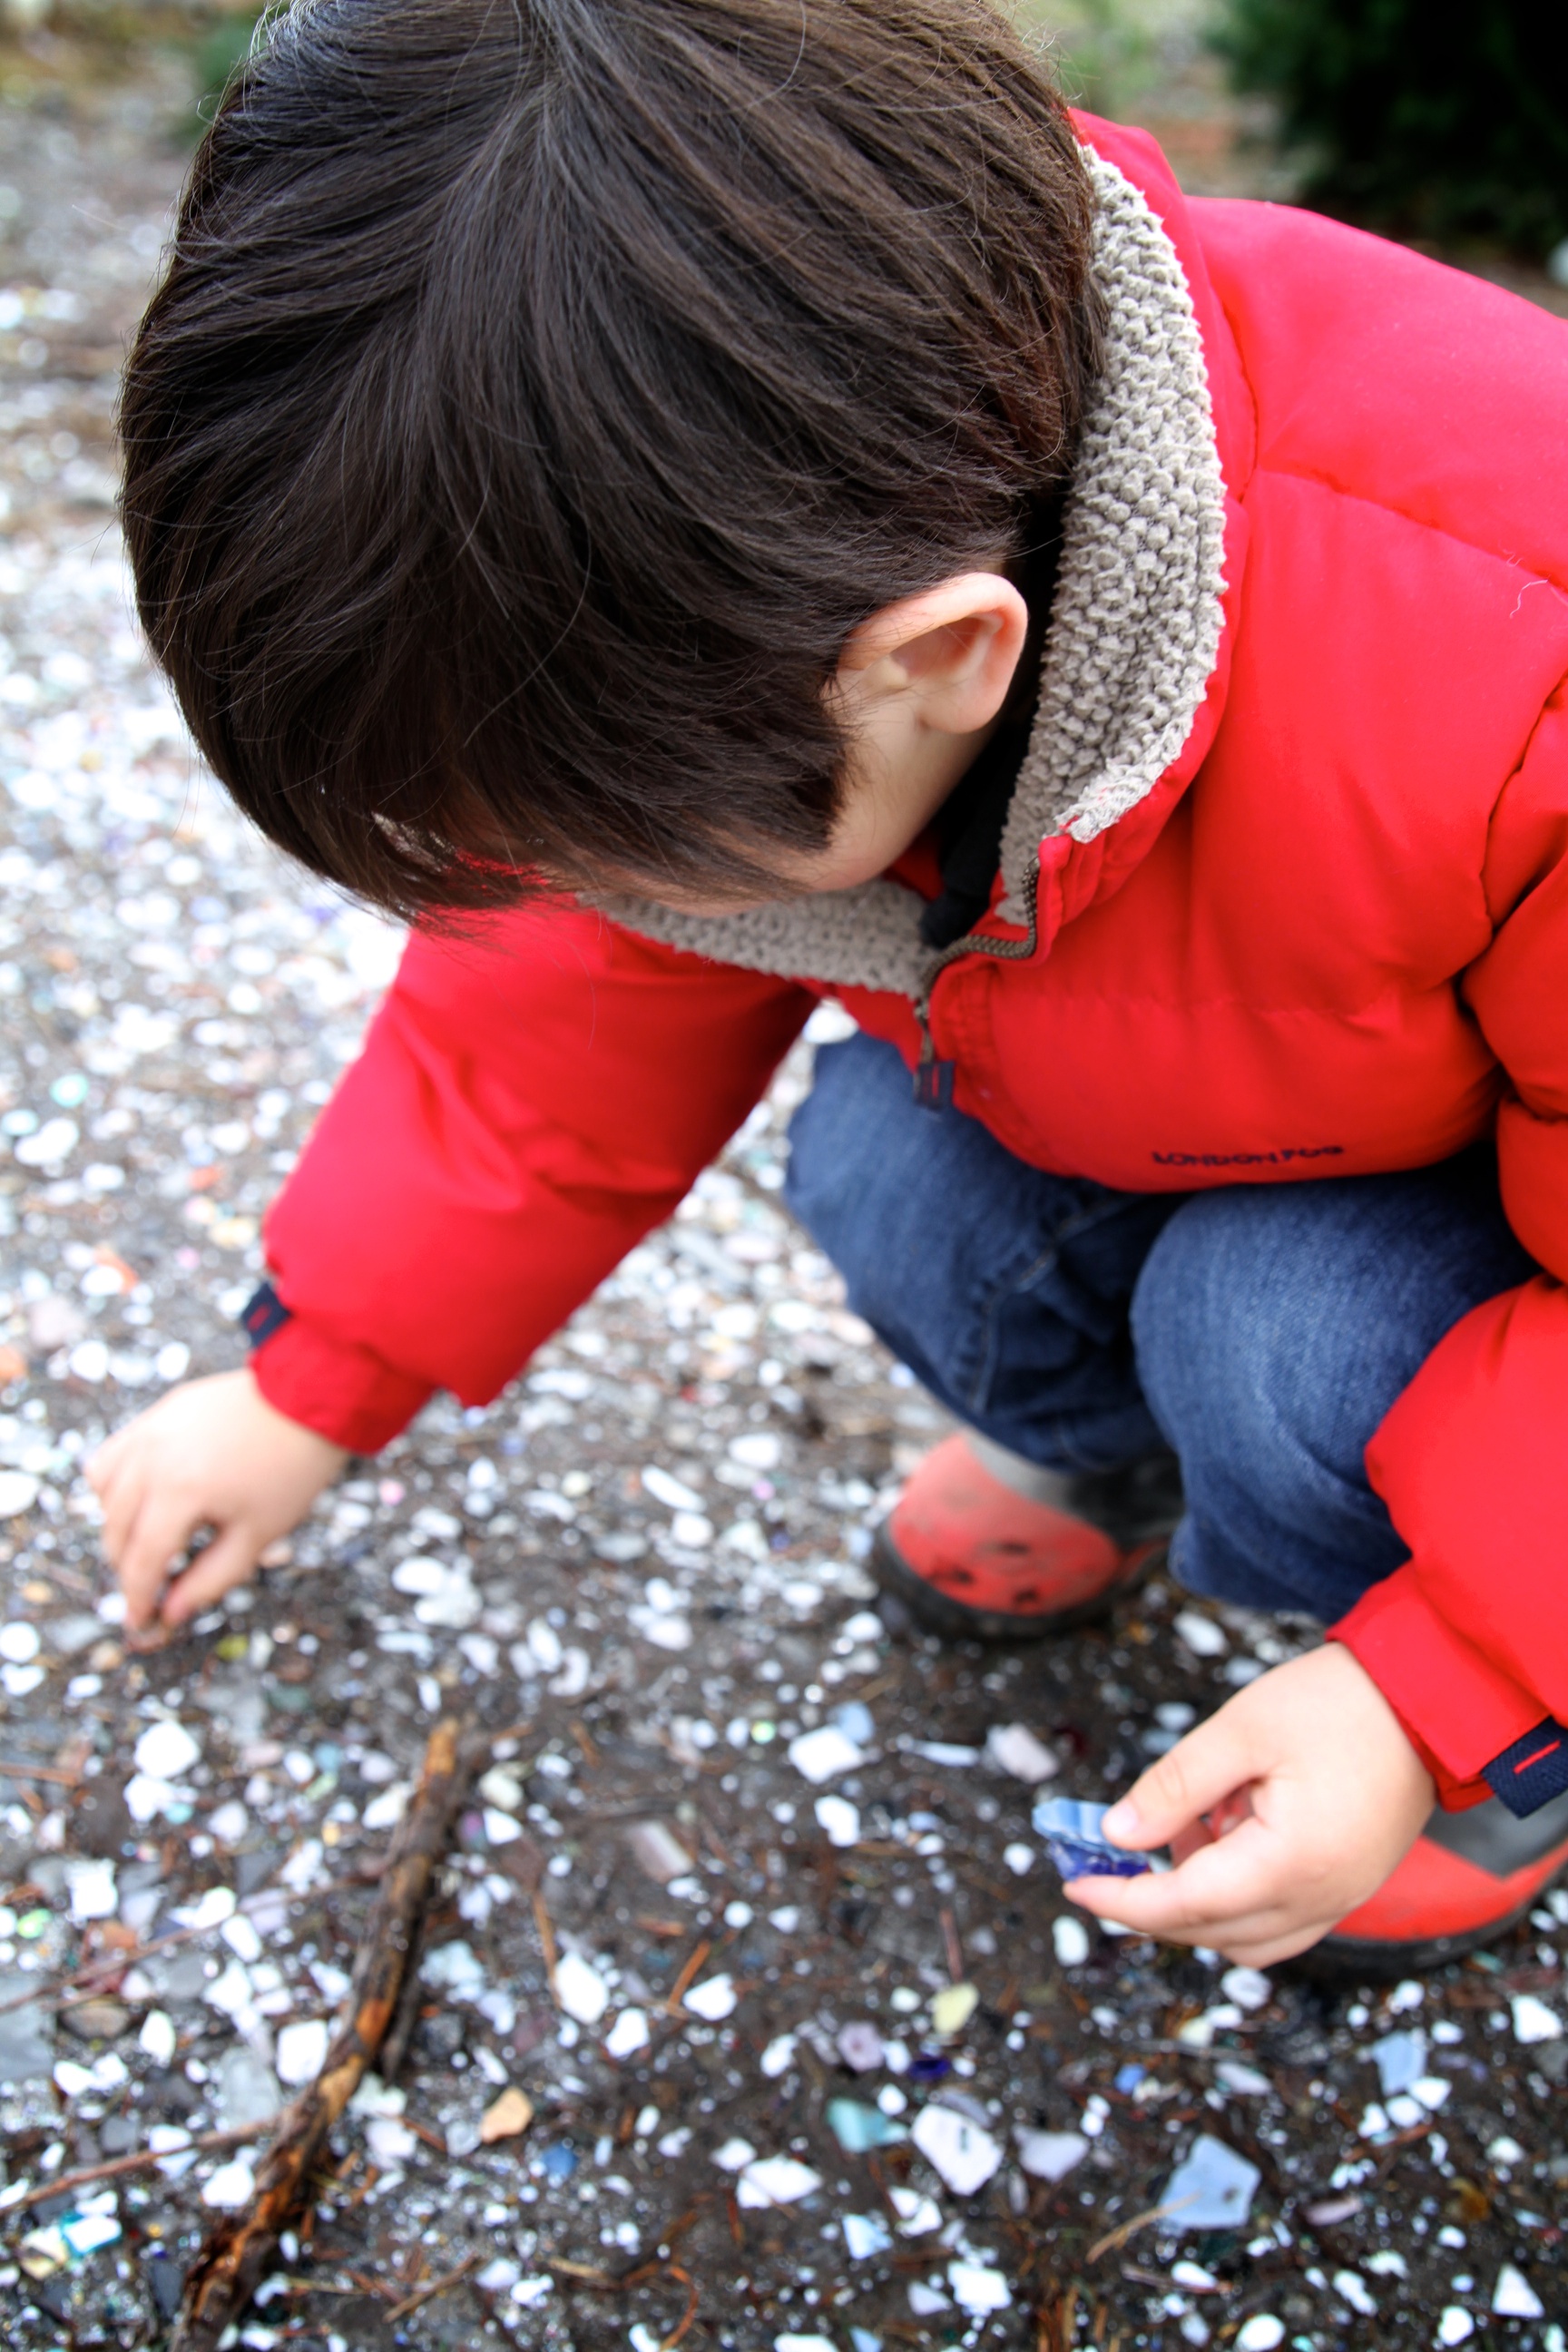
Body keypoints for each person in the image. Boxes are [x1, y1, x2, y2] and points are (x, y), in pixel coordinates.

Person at [96, 0, 1568, 1972]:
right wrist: (314, 1377)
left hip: (1489, 1240)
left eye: (612, 849)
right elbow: (560, 1018)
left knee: (1272, 1334)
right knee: (887, 1163)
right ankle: (1104, 1453)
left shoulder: (1512, 656)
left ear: (942, 659)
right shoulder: (761, 555)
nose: (588, 894)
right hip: (1173, 1077)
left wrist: (1441, 1682)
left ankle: (1490, 1762)